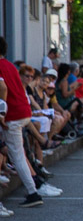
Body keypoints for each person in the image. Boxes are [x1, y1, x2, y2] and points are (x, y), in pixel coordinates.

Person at [0, 36, 44, 208]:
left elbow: (2, 88)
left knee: (17, 156)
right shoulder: (10, 65)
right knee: (17, 153)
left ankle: (33, 192)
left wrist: (1, 110)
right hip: (22, 111)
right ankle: (33, 190)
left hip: (12, 115)